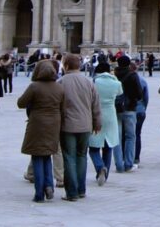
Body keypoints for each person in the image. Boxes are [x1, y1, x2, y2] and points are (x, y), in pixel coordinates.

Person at [17, 59, 66, 202]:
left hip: (37, 123)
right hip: (54, 123)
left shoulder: (34, 87)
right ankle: (49, 185)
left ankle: (39, 192)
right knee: (48, 155)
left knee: (37, 156)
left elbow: (21, 103)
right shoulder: (59, 88)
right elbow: (63, 108)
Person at [55, 54, 99, 200]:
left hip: (68, 126)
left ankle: (72, 192)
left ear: (66, 66)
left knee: (69, 158)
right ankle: (81, 190)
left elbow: (57, 107)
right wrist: (97, 123)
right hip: (86, 125)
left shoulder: (61, 82)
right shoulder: (88, 82)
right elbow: (95, 106)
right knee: (82, 157)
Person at [88, 62, 121, 184]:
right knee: (108, 145)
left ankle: (100, 166)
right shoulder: (116, 83)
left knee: (93, 147)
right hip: (111, 115)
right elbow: (120, 93)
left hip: (97, 114)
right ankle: (105, 174)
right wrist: (114, 78)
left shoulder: (95, 82)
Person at [115, 58, 147, 173]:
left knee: (117, 138)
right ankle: (128, 163)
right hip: (130, 108)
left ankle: (118, 164)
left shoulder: (114, 74)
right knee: (130, 136)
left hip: (117, 108)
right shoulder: (132, 75)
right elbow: (139, 94)